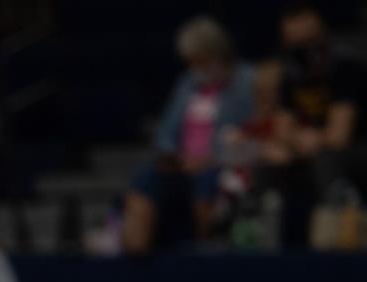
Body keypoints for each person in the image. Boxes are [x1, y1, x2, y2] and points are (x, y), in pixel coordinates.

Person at [122, 16, 256, 254]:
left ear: (218, 53)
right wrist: (174, 157)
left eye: (202, 61)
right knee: (145, 181)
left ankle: (204, 255)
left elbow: (250, 134)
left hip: (220, 165)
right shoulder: (187, 84)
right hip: (183, 165)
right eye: (192, 62)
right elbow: (165, 133)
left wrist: (211, 159)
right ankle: (132, 262)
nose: (197, 68)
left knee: (208, 184)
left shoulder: (247, 82)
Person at [264, 3, 366, 243]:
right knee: (270, 158)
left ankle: (336, 239)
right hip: (312, 144)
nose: (303, 47)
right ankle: (263, 244)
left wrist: (306, 140)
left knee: (326, 158)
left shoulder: (345, 66)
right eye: (295, 41)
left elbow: (340, 136)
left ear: (322, 34)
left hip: (356, 149)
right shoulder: (291, 73)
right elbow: (282, 128)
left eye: (309, 39)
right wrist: (293, 143)